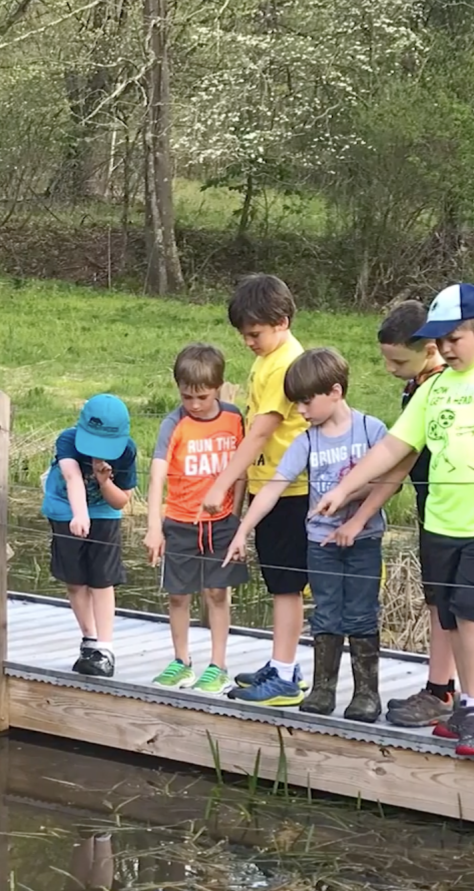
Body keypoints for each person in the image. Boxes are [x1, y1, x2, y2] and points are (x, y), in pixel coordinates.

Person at [314, 284, 474, 755]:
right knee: (449, 615)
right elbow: (394, 447)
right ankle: (463, 705)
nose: (445, 349)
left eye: (455, 339)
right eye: (439, 341)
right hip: (442, 523)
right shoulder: (436, 388)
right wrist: (344, 488)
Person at [224, 347, 403, 721]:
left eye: (306, 402)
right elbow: (273, 487)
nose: (301, 411)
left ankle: (367, 694)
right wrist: (243, 529)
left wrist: (351, 505)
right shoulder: (306, 441)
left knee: (362, 614)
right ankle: (323, 689)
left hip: (363, 541)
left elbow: (390, 481)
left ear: (335, 391)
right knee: (326, 614)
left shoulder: (372, 430)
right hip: (319, 544)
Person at [200, 275, 310, 706]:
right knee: (278, 581)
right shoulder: (269, 356)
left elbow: (261, 431)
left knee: (286, 583)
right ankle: (282, 661)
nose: (248, 341)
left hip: (291, 488)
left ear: (281, 322)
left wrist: (222, 483)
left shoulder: (286, 362)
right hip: (271, 485)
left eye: (255, 334)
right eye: (243, 335)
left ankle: (284, 673)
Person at [144, 343, 249, 693]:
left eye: (201, 397)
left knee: (217, 592)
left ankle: (217, 665)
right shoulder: (173, 423)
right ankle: (181, 661)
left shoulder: (234, 418)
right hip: (181, 521)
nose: (193, 404)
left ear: (218, 388)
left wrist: (235, 518)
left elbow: (242, 470)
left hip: (220, 524)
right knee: (178, 594)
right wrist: (154, 528)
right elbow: (157, 474)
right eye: (187, 396)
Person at [375, 300, 460, 728]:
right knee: (436, 600)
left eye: (398, 360)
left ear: (430, 349)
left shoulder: (439, 387)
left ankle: (443, 690)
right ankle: (440, 684)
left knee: (447, 602)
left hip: (452, 507)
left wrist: (363, 503)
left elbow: (403, 456)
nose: (391, 369)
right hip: (431, 506)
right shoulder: (416, 385)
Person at [41, 394, 138, 677]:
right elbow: (71, 478)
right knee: (75, 579)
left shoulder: (127, 452)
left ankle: (105, 648)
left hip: (105, 511)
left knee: (102, 579)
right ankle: (89, 638)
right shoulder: (67, 440)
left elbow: (121, 501)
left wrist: (103, 479)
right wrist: (79, 514)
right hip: (65, 508)